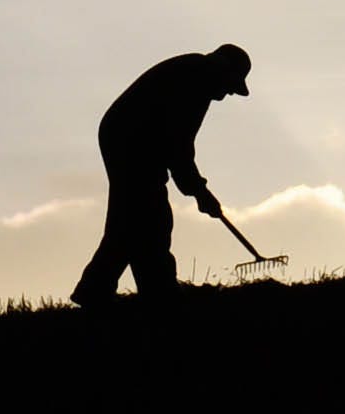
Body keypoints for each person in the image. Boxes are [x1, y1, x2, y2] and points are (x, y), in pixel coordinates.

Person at [74, 43, 252, 303]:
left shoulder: (197, 74)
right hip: (131, 139)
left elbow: (177, 145)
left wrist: (197, 190)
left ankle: (101, 289)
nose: (227, 94)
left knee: (131, 218)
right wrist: (200, 191)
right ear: (224, 71)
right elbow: (178, 145)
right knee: (151, 213)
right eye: (230, 86)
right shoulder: (196, 82)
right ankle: (158, 290)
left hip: (128, 136)